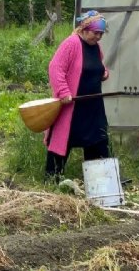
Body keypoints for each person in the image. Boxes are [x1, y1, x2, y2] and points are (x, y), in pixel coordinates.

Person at [44, 10, 111, 179]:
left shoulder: (96, 47)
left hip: (93, 104)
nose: (98, 37)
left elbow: (98, 66)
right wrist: (63, 92)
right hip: (72, 105)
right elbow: (55, 68)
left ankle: (99, 178)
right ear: (85, 29)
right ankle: (53, 176)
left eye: (101, 34)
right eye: (96, 33)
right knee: (64, 140)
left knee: (98, 139)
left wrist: (104, 73)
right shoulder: (71, 43)